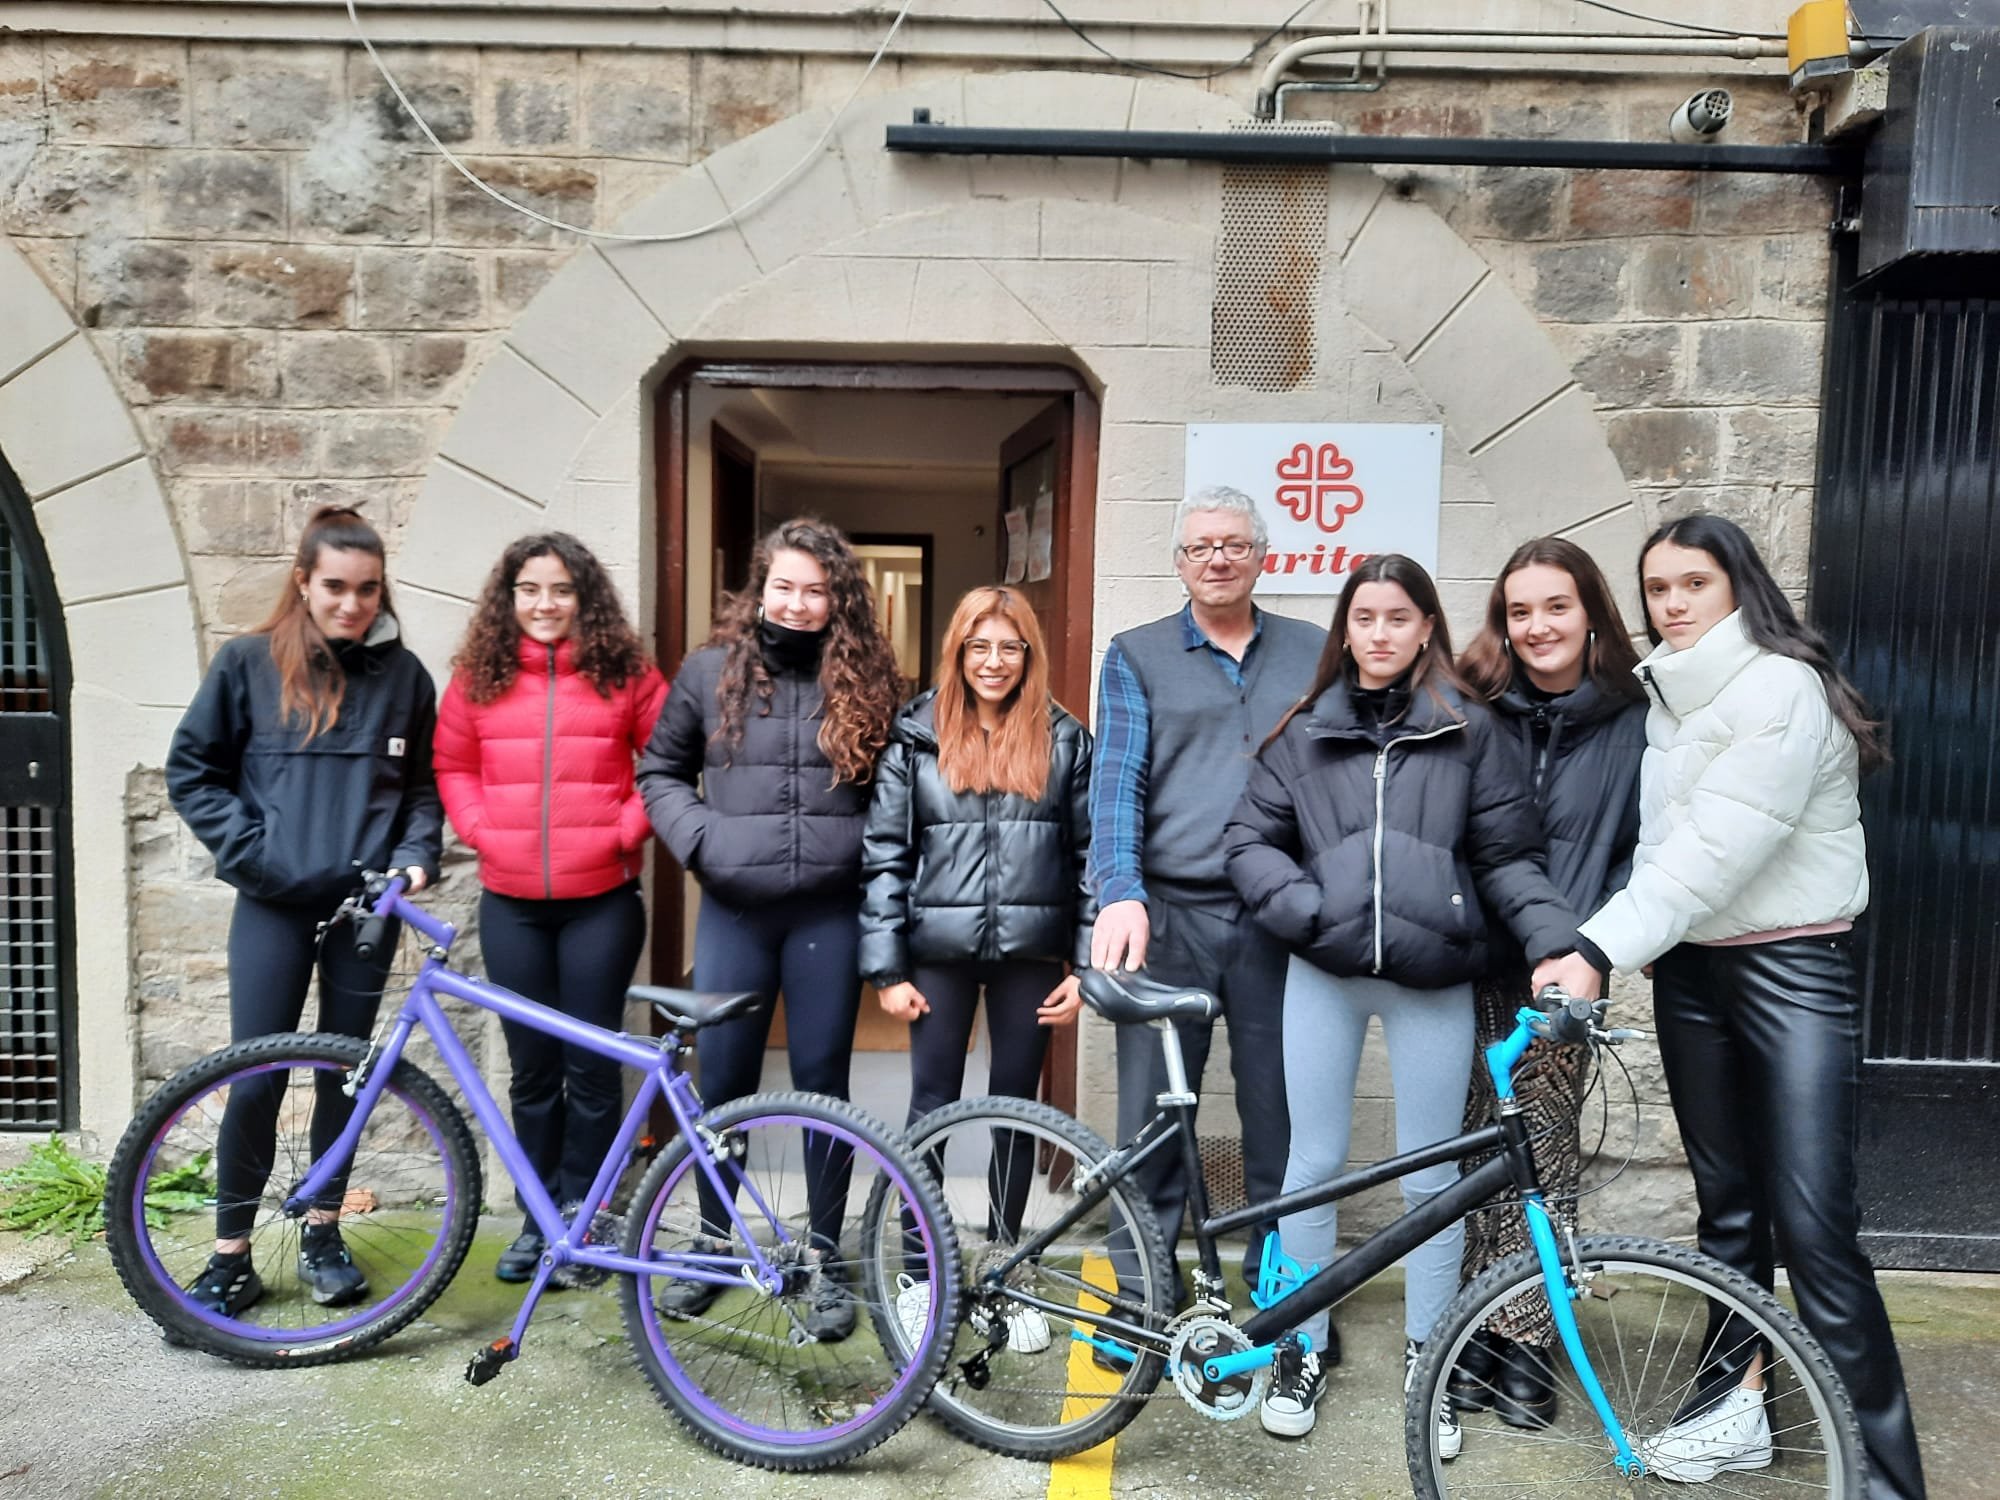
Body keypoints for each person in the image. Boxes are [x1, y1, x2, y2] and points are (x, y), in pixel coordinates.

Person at [1535, 515, 1924, 1498]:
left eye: (1691, 584)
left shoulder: (1777, 690)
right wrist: (1649, 943)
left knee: (1815, 1230)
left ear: (1738, 589)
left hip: (1790, 969)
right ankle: (1729, 1410)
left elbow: (1716, 849)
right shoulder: (1674, 694)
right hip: (1696, 974)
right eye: (1656, 587)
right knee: (1729, 1212)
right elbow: (1667, 851)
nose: (1669, 604)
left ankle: (1884, 1477)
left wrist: (1596, 948)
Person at [1224, 554, 1576, 1446]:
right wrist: (1307, 912)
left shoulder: (1471, 730)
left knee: (1434, 1174)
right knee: (1314, 1165)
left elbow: (1506, 857)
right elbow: (1248, 840)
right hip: (1326, 975)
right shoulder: (1302, 727)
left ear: (1426, 628)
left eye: (1398, 618)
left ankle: (1431, 1352)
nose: (1379, 635)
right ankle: (1299, 1349)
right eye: (1364, 618)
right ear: (1346, 629)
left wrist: (1553, 943)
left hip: (1434, 978)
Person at [165, 505, 443, 1315]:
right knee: (255, 1075)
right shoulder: (248, 664)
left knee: (345, 1078)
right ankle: (231, 1257)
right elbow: (193, 772)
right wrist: (255, 855)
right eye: (334, 587)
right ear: (303, 582)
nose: (351, 604)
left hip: (365, 910)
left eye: (366, 589)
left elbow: (421, 788)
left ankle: (324, 1234)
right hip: (272, 906)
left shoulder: (405, 677)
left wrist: (414, 854)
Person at [637, 517, 900, 1342]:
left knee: (824, 1089)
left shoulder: (865, 681)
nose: (798, 602)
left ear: (838, 600)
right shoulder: (709, 673)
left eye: (816, 590)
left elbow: (898, 793)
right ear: (760, 589)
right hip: (735, 911)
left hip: (827, 912)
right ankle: (718, 1250)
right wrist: (702, 839)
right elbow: (659, 771)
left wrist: (861, 853)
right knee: (724, 1087)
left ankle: (829, 1262)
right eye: (784, 586)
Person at [1087, 485, 1326, 1328]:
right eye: (1199, 548)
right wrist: (1119, 893)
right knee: (1150, 1121)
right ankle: (1141, 1295)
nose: (1217, 559)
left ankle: (1275, 1297)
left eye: (1233, 544)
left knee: (1279, 1119)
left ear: (1264, 557)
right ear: (1179, 563)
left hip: (1278, 920)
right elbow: (1116, 787)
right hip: (1168, 918)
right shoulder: (1135, 653)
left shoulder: (1314, 651)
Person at [1446, 537, 1647, 1429]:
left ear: (1591, 610)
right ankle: (1477, 1329)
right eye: (1519, 611)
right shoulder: (1479, 707)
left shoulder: (1637, 717)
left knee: (1545, 1149)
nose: (1538, 627)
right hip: (1474, 955)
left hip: (1569, 966)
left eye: (1555, 606)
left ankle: (1527, 1337)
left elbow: (1645, 851)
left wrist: (1594, 949)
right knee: (1476, 1147)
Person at [860, 586, 1094, 1344]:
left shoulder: (1064, 740)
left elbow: (1092, 857)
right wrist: (887, 969)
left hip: (1032, 954)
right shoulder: (916, 736)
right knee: (929, 1111)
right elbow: (886, 857)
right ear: (957, 652)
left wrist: (1086, 966)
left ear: (1029, 655)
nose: (993, 663)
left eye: (1009, 647)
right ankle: (920, 1272)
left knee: (1014, 1115)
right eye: (979, 647)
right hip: (939, 955)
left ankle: (1008, 1270)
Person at [433, 533, 667, 1285]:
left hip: (602, 902)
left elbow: (666, 763)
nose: (544, 604)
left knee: (593, 1072)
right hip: (512, 905)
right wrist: (482, 832)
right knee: (532, 1075)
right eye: (529, 590)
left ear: (583, 597)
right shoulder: (477, 678)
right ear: (509, 598)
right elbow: (453, 765)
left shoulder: (625, 674)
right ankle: (539, 1223)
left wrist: (621, 831)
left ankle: (587, 1219)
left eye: (560, 590)